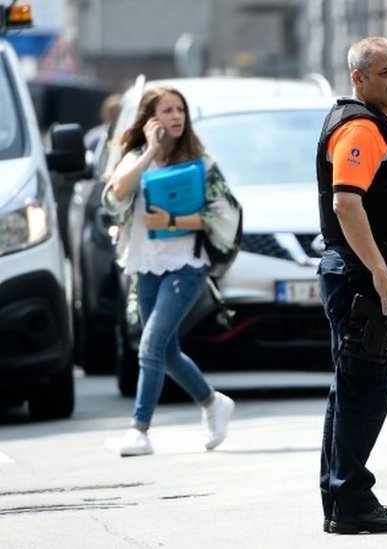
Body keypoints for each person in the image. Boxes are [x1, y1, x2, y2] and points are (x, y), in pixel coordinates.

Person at [314, 36, 387, 534]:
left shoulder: (378, 126)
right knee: (364, 390)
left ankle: (340, 500)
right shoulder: (359, 127)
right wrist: (381, 271)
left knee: (350, 388)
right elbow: (346, 202)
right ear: (358, 78)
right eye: (385, 72)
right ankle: (352, 500)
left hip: (361, 274)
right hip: (362, 277)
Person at [102, 86, 235, 457]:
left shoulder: (201, 162)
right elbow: (113, 197)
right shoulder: (134, 157)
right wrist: (148, 153)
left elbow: (224, 214)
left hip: (187, 263)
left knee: (151, 343)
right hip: (146, 261)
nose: (176, 117)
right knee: (168, 350)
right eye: (168, 110)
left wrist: (173, 220)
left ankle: (139, 429)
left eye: (180, 110)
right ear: (149, 119)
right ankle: (213, 404)